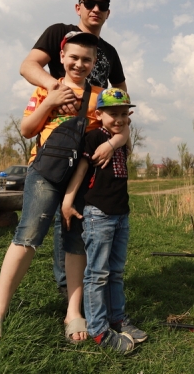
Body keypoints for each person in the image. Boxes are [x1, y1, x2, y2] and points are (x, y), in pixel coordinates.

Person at [0, 32, 128, 349]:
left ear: (94, 63)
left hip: (79, 179)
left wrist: (113, 142)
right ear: (62, 57)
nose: (79, 64)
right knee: (27, 235)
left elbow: (122, 124)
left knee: (75, 241)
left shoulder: (98, 95)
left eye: (86, 59)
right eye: (74, 57)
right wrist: (51, 102)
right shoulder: (46, 89)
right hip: (44, 172)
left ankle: (73, 313)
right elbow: (27, 130)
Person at [19, 0, 127, 299]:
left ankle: (90, 286)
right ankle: (68, 287)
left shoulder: (110, 51)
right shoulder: (59, 33)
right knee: (52, 219)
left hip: (94, 138)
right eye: (89, 3)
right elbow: (28, 66)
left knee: (81, 214)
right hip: (58, 141)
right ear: (78, 7)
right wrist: (58, 90)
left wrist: (117, 134)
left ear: (108, 13)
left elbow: (120, 93)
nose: (96, 9)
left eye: (102, 6)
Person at [61, 88, 146, 354]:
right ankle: (99, 330)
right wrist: (68, 200)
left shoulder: (121, 140)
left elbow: (124, 133)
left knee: (116, 272)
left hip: (121, 214)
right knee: (97, 274)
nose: (118, 119)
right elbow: (82, 170)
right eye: (112, 113)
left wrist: (119, 137)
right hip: (98, 214)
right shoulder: (94, 136)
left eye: (123, 114)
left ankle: (117, 319)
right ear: (99, 114)